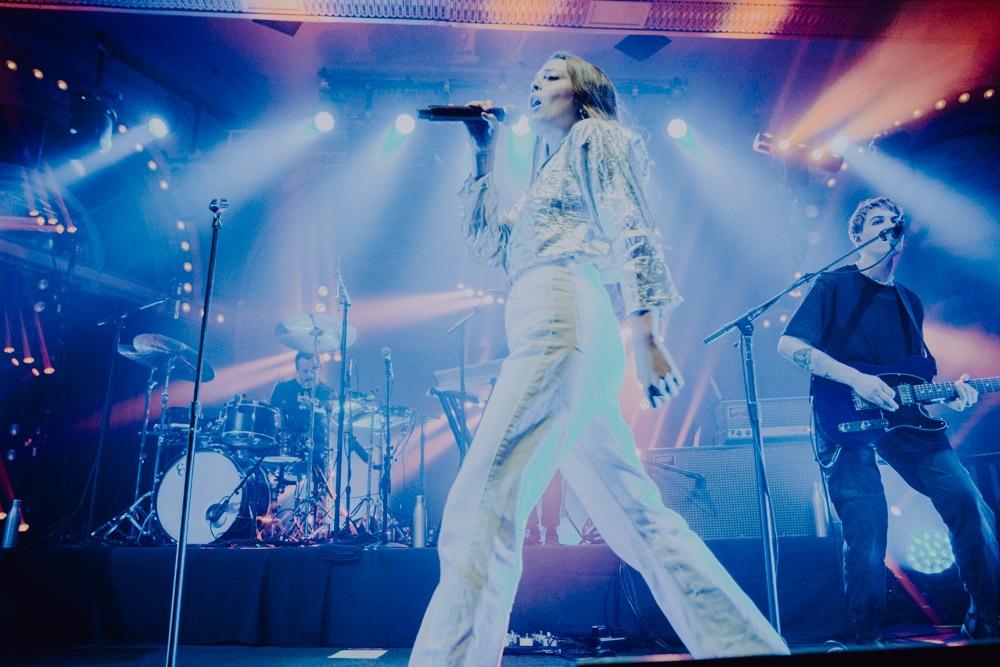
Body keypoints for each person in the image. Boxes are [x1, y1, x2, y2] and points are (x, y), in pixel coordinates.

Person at [409, 52, 788, 666]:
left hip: (562, 320)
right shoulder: (547, 176)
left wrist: (646, 334)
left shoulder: (595, 137)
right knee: (641, 522)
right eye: (533, 79)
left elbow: (632, 226)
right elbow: (488, 244)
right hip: (559, 327)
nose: (535, 86)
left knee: (482, 503)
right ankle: (749, 650)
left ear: (583, 93)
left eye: (551, 77)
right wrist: (483, 153)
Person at [778, 196, 999, 644]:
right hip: (844, 415)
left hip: (907, 424)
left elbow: (913, 382)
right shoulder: (832, 284)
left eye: (895, 222)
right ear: (858, 236)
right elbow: (789, 345)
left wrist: (954, 396)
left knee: (968, 503)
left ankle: (987, 618)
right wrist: (856, 379)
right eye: (878, 221)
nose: (889, 226)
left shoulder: (908, 301)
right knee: (867, 529)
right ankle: (866, 638)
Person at [270, 352, 335, 443]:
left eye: (313, 371)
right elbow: (272, 416)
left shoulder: (327, 392)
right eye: (305, 371)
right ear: (297, 370)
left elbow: (333, 424)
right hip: (288, 444)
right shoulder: (283, 388)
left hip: (317, 444)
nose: (310, 375)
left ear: (319, 368)